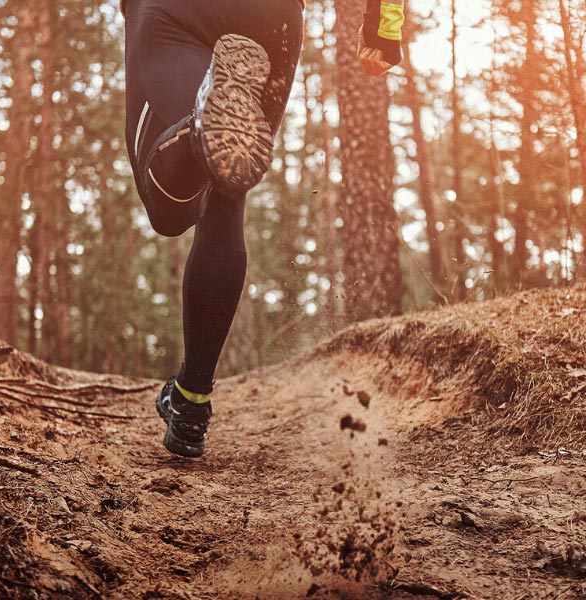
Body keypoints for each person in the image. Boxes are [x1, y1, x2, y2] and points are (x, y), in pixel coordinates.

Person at [122, 0, 403, 457]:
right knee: (226, 192)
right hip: (273, 18)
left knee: (167, 210)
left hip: (178, 11)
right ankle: (192, 401)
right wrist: (383, 28)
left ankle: (198, 121)